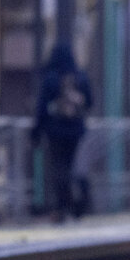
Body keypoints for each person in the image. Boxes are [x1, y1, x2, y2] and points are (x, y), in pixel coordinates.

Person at [31, 43, 92, 222]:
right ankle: (76, 197)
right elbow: (89, 102)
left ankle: (62, 206)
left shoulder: (51, 78)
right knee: (71, 165)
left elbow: (42, 107)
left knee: (59, 168)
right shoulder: (80, 77)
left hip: (55, 130)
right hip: (75, 130)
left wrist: (36, 131)